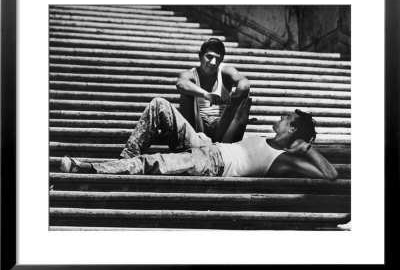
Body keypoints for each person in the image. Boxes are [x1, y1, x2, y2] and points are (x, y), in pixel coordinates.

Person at [60, 97, 338, 181]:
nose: (281, 116)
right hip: (208, 146)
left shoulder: (284, 160)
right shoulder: (265, 138)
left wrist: (309, 149)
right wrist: (234, 114)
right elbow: (228, 141)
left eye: (287, 117)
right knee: (160, 105)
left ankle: (90, 168)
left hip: (211, 164)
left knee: (152, 162)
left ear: (291, 131)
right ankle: (123, 164)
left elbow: (331, 174)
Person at [176, 38, 251, 143]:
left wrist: (235, 96)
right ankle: (189, 143)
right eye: (209, 57)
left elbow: (245, 84)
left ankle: (229, 144)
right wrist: (206, 95)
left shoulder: (225, 72)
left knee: (244, 97)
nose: (213, 63)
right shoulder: (190, 74)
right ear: (200, 56)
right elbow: (180, 83)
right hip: (197, 127)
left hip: (221, 126)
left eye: (218, 59)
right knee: (186, 93)